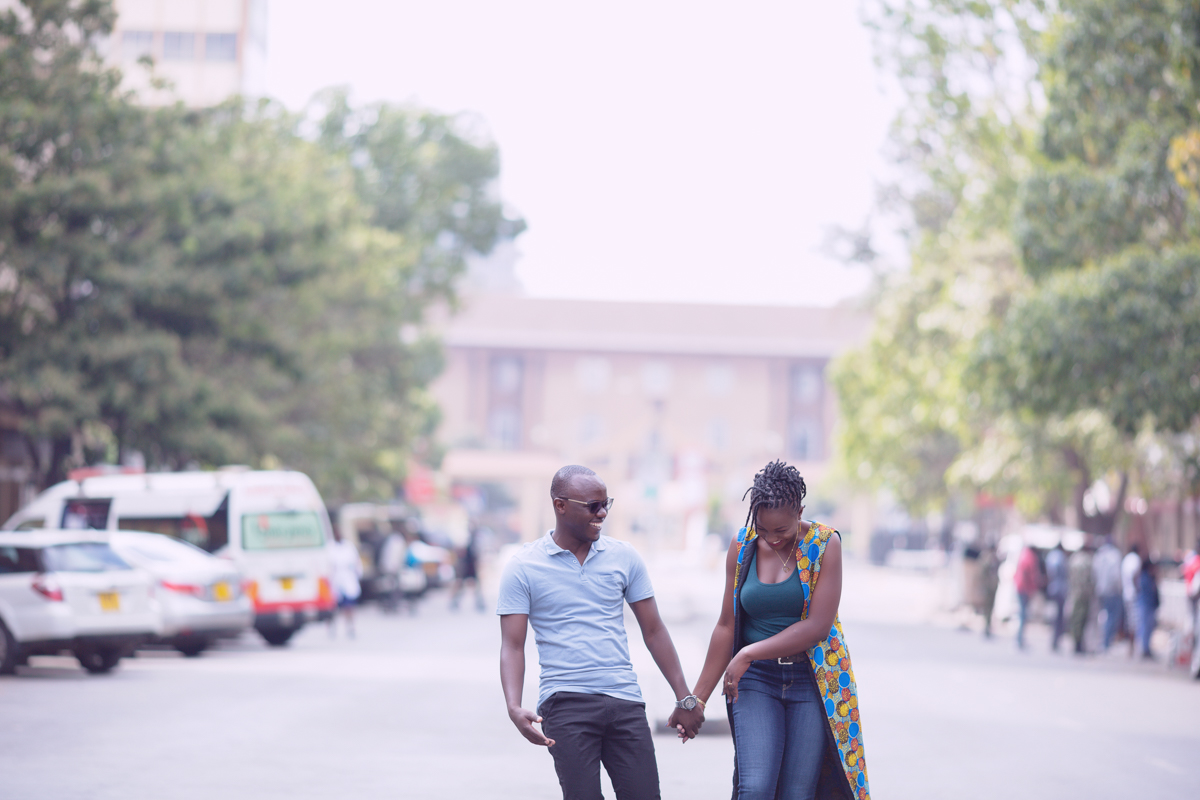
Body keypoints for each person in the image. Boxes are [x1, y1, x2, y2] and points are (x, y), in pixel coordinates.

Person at [498, 465, 702, 800]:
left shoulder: (624, 556)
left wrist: (685, 697)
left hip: (625, 701)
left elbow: (654, 630)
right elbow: (512, 645)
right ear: (560, 505)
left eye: (606, 503)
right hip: (565, 704)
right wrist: (513, 705)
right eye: (593, 506)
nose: (603, 512)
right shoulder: (523, 566)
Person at [690, 460, 870, 800]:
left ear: (799, 511)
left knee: (797, 793)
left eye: (782, 531)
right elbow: (726, 625)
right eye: (763, 529)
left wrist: (748, 652)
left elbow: (817, 626)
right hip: (756, 681)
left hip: (812, 680)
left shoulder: (823, 544)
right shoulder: (742, 546)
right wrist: (696, 699)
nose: (771, 539)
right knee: (755, 787)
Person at [328, 528, 363, 638]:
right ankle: (332, 628)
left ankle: (350, 628)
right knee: (333, 608)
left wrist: (358, 575)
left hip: (348, 579)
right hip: (335, 580)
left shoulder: (349, 547)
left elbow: (356, 562)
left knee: (349, 607)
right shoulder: (330, 547)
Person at [1092, 536, 1124, 650]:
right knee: (1111, 617)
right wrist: (1119, 589)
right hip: (1112, 591)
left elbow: (1094, 573)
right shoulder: (1115, 555)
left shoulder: (1099, 555)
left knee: (1102, 615)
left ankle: (1101, 641)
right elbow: (1116, 576)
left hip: (1100, 590)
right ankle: (1106, 642)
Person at [450, 521, 486, 612]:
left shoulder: (476, 539)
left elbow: (478, 554)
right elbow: (459, 551)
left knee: (474, 586)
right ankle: (454, 602)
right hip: (465, 565)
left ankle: (479, 603)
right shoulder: (466, 538)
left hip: (471, 565)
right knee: (460, 584)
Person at [1066, 542, 1095, 654]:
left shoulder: (1073, 559)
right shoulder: (1087, 561)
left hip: (1074, 593)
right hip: (1084, 594)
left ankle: (1076, 642)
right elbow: (1091, 579)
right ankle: (1079, 643)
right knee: (1082, 619)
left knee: (1075, 619)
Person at [1013, 542, 1041, 651]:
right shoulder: (1029, 556)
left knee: (1022, 614)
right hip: (1023, 589)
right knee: (1023, 615)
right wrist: (1028, 589)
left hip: (1022, 587)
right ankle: (1019, 639)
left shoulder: (1024, 554)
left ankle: (1020, 639)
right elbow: (1026, 573)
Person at [1044, 542, 1069, 651]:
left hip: (1052, 588)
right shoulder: (1060, 557)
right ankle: (1056, 640)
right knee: (1059, 617)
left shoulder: (1051, 556)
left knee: (1054, 616)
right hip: (1060, 590)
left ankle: (1054, 640)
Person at [1135, 557, 1160, 659]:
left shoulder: (1148, 577)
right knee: (1145, 627)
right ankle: (1144, 649)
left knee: (1148, 627)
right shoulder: (1145, 578)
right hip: (1146, 605)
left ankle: (1146, 648)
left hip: (1148, 605)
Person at [1121, 544, 1143, 654]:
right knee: (1134, 621)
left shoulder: (1126, 559)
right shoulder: (1135, 559)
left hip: (1126, 593)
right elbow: (1135, 575)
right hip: (1133, 594)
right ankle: (1131, 647)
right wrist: (1137, 588)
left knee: (1129, 620)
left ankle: (1130, 646)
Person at [979, 545, 1001, 639]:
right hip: (988, 588)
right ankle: (986, 628)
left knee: (990, 609)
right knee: (987, 609)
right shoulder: (987, 559)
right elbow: (983, 574)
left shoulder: (995, 559)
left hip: (992, 588)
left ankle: (988, 627)